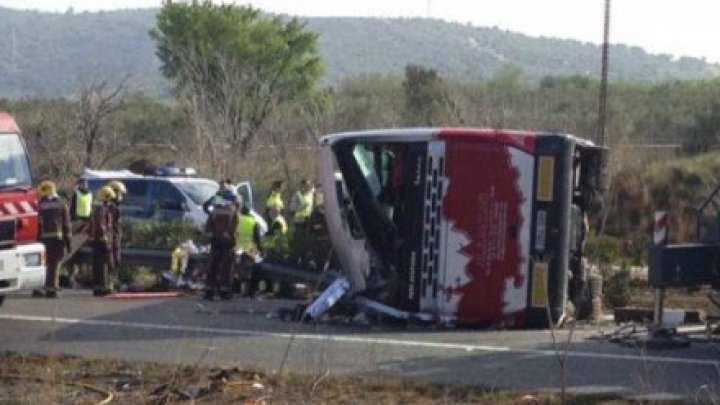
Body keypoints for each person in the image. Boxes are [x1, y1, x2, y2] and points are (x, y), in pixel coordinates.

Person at [33, 180, 72, 298]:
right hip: (57, 238)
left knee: (42, 264)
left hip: (42, 239)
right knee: (55, 264)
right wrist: (68, 241)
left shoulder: (38, 205)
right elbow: (66, 224)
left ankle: (39, 287)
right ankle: (52, 288)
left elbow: (36, 224)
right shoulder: (61, 204)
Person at [203, 189, 239, 300]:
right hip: (227, 243)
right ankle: (225, 291)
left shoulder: (215, 210)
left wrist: (211, 235)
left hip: (215, 241)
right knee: (226, 268)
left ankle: (209, 291)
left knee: (212, 266)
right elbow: (234, 229)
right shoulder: (233, 211)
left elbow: (208, 227)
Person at [89, 186, 115, 296]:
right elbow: (101, 225)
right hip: (101, 241)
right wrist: (105, 239)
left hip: (97, 240)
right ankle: (102, 286)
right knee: (102, 264)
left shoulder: (98, 208)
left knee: (98, 264)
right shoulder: (102, 209)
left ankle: (98, 287)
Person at [236, 203, 264, 296]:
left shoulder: (237, 219)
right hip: (250, 249)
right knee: (252, 270)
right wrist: (261, 250)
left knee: (236, 270)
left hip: (237, 248)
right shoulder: (253, 221)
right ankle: (250, 292)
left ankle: (236, 289)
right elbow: (257, 238)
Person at [107, 180, 126, 270]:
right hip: (112, 235)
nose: (121, 197)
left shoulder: (115, 206)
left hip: (115, 234)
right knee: (113, 258)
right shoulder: (112, 207)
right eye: (120, 194)